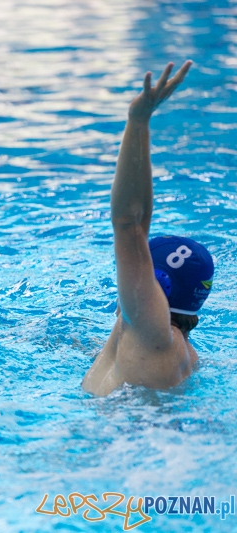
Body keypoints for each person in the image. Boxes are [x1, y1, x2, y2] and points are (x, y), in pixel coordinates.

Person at [82, 60, 215, 396]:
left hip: (112, 446)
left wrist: (138, 122)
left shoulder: (151, 331)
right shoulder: (179, 352)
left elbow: (130, 224)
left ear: (156, 284)